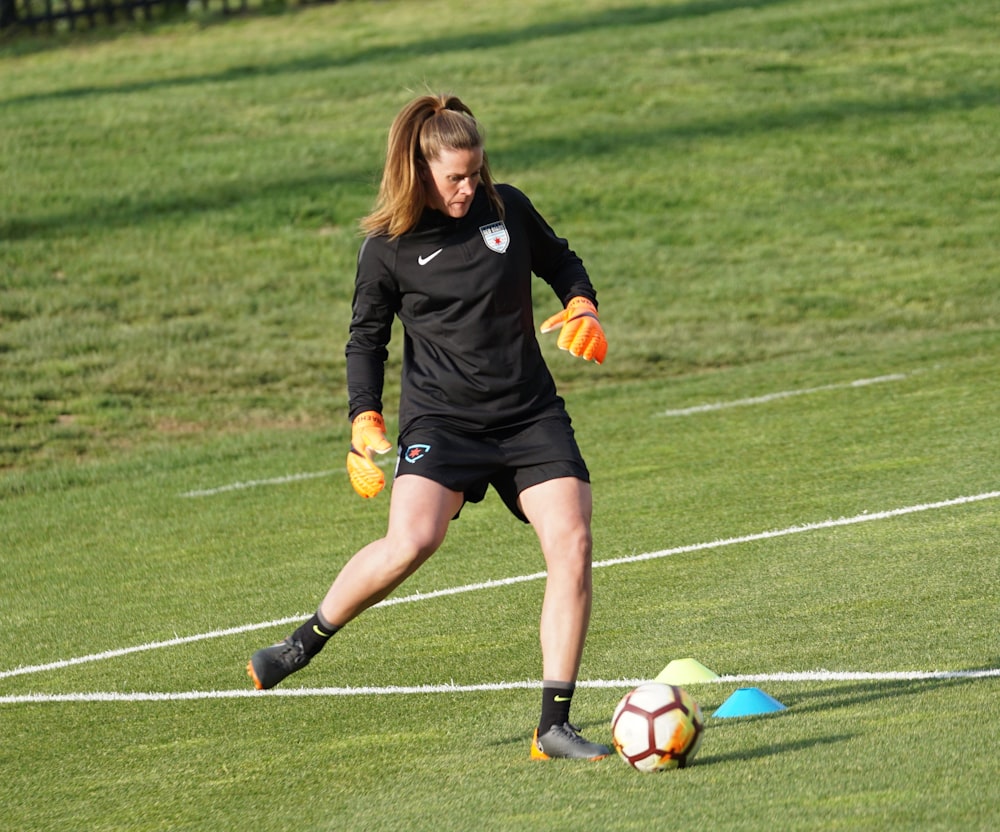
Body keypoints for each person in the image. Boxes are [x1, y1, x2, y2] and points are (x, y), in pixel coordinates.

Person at [248, 93, 610, 761]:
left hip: (529, 413)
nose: (470, 188)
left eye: (477, 173)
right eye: (456, 178)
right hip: (443, 421)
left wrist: (582, 304)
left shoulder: (508, 208)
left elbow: (562, 262)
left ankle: (552, 727)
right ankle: (302, 642)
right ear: (420, 171)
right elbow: (365, 340)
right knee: (411, 542)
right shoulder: (386, 250)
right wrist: (363, 419)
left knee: (574, 544)